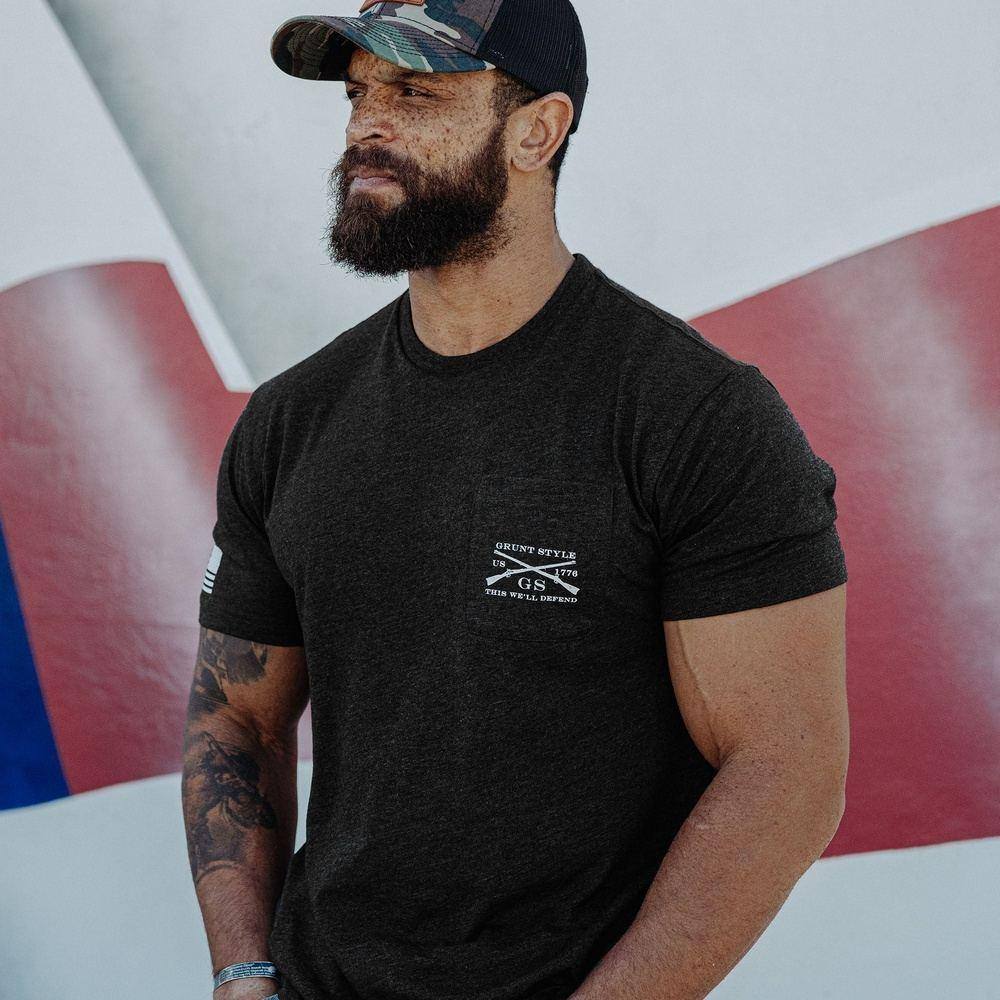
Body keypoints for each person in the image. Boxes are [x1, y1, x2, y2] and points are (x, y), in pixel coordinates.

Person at [181, 3, 850, 999]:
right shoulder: (293, 420)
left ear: (538, 130)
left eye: (416, 92)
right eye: (359, 93)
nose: (368, 123)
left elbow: (785, 769)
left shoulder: (692, 415)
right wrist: (242, 973)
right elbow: (236, 716)